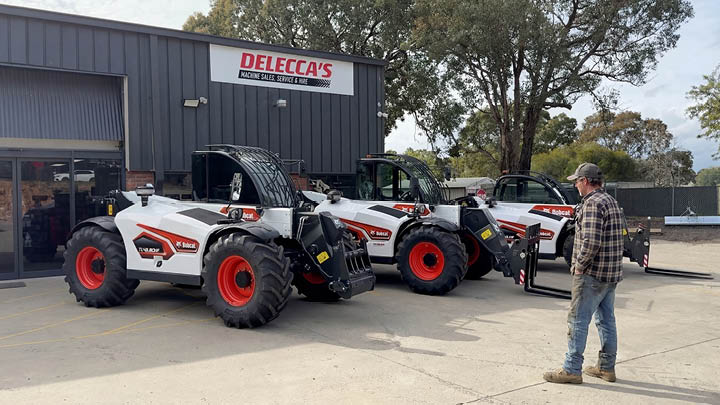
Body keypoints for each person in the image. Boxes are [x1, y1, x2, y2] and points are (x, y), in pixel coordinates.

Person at [543, 163, 624, 384]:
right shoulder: (610, 201)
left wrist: (579, 265)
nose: (576, 185)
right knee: (606, 321)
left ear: (586, 181)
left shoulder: (591, 204)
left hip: (591, 274)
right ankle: (606, 368)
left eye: (577, 181)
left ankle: (571, 369)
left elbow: (591, 241)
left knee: (577, 320)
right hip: (611, 274)